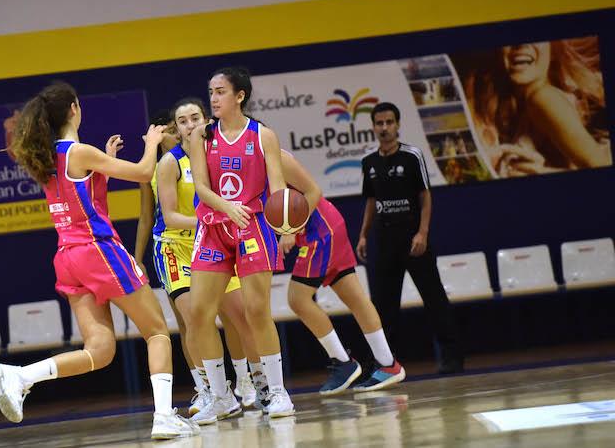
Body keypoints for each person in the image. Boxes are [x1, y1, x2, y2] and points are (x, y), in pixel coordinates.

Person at [0, 82, 198, 440]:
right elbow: (142, 173)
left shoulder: (48, 157)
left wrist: (101, 164)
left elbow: (89, 202)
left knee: (99, 351)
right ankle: (164, 417)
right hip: (98, 251)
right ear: (73, 108)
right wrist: (150, 146)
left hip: (68, 258)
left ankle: (22, 376)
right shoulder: (77, 151)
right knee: (157, 332)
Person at [136, 99, 261, 415]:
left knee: (240, 316)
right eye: (183, 121)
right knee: (194, 318)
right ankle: (212, 392)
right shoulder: (169, 163)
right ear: (176, 129)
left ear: (206, 120)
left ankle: (253, 385)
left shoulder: (221, 154)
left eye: (195, 118)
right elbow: (170, 216)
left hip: (216, 243)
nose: (190, 125)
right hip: (176, 245)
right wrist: (215, 218)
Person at [187, 67, 294, 424]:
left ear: (239, 96)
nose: (213, 98)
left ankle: (277, 392)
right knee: (199, 313)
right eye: (211, 91)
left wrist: (288, 225)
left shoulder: (263, 136)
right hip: (216, 225)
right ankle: (221, 398)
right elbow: (201, 187)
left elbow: (277, 187)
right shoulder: (202, 136)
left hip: (253, 227)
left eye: (220, 92)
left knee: (256, 311)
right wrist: (226, 207)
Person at [278, 150, 405, 394]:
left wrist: (291, 229)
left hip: (320, 231)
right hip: (325, 228)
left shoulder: (277, 156)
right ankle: (388, 365)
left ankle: (343, 363)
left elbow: (312, 191)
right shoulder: (247, 162)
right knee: (355, 298)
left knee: (297, 299)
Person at [357, 102, 464, 375]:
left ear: (397, 124)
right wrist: (363, 236)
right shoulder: (368, 162)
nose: (384, 128)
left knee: (434, 298)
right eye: (379, 123)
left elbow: (425, 196)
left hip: (413, 239)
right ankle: (385, 364)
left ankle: (452, 358)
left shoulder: (412, 156)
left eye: (389, 122)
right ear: (373, 127)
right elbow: (371, 200)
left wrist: (423, 233)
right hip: (384, 239)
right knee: (383, 305)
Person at [460, 38, 611, 176]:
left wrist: (542, 172)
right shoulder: (522, 102)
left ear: (553, 51)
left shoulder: (542, 97)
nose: (521, 44)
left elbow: (600, 166)